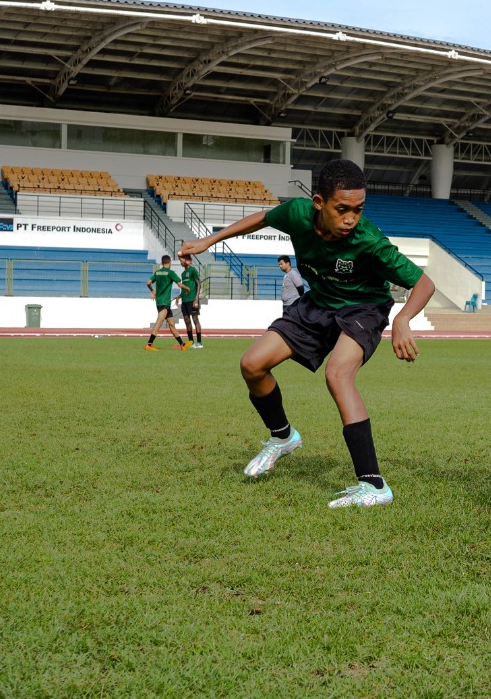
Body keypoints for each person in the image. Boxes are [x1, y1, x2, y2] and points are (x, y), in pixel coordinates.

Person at [180, 159, 436, 510]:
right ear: (319, 203)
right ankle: (283, 437)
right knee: (252, 364)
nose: (351, 219)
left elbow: (424, 282)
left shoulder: (369, 240)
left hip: (363, 308)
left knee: (338, 374)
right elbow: (262, 219)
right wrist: (212, 239)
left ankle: (373, 485)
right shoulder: (297, 213)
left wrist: (404, 319)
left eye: (358, 210)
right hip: (318, 303)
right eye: (342, 209)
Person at [146, 255, 187, 350]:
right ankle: (149, 344)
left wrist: (152, 291)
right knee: (159, 322)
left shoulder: (157, 273)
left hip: (162, 302)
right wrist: (187, 288)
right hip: (164, 302)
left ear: (162, 262)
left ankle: (182, 344)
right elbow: (180, 284)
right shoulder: (170, 273)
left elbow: (148, 282)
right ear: (169, 262)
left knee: (171, 324)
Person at [179, 252, 204, 349]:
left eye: (182, 260)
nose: (181, 262)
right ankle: (191, 342)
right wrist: (179, 296)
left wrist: (196, 299)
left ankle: (199, 342)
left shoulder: (193, 270)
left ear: (187, 261)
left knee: (195, 320)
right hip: (184, 301)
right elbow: (186, 288)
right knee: (186, 321)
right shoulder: (183, 274)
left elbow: (198, 284)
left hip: (192, 300)